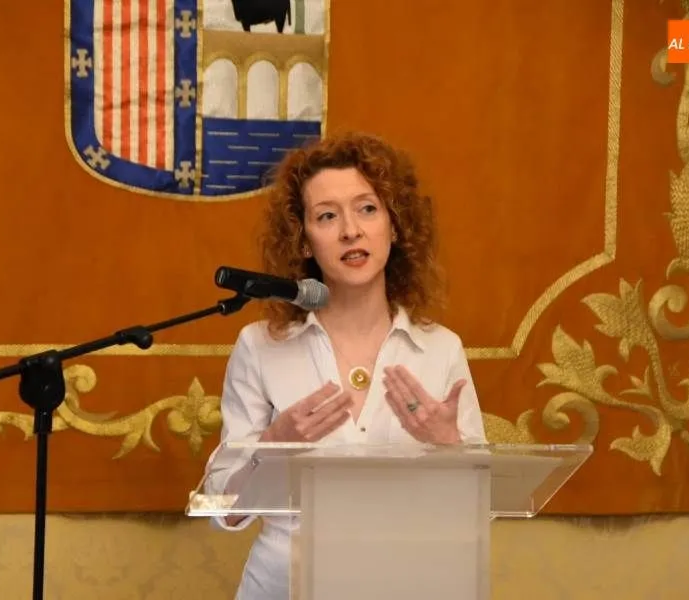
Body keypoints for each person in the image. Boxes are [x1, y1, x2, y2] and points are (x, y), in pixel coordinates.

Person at [202, 131, 487, 600]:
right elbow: (222, 509)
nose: (350, 230)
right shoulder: (259, 347)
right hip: (284, 587)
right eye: (327, 216)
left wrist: (449, 446)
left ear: (395, 227)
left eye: (367, 208)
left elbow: (477, 507)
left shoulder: (441, 350)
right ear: (305, 242)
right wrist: (273, 445)